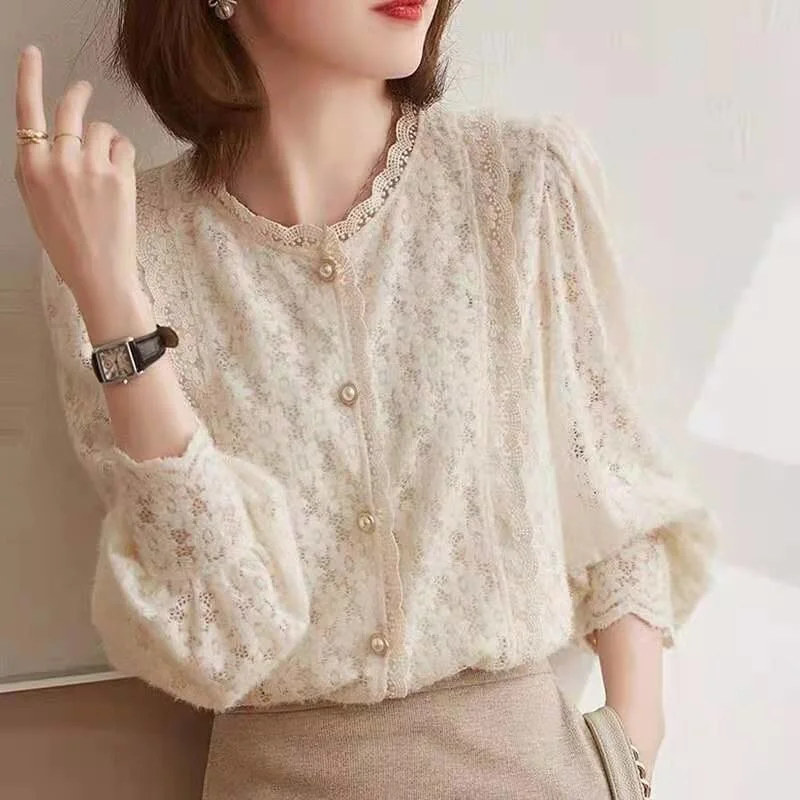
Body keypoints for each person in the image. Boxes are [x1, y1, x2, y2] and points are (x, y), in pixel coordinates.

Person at [14, 1, 718, 797]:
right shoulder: (119, 248)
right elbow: (217, 638)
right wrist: (113, 301)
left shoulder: (517, 183)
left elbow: (618, 505)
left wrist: (630, 759)